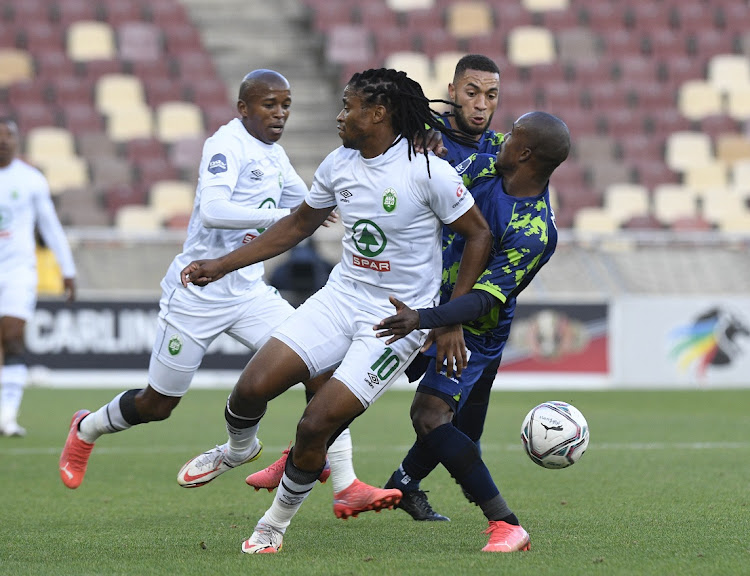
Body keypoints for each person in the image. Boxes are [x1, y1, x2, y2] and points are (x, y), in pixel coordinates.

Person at [177, 67, 492, 554]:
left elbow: (479, 235)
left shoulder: (428, 170)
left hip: (394, 322)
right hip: (339, 296)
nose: (340, 115)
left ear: (379, 113)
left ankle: (273, 525)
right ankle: (239, 448)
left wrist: (449, 317)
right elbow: (297, 225)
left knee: (314, 425)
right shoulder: (338, 163)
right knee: (251, 388)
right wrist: (220, 265)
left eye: (349, 107)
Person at [242, 54, 505, 521]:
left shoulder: (500, 151)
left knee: (455, 420)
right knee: (419, 414)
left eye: (491, 95)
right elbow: (302, 220)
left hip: (451, 307)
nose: (480, 104)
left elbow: (490, 219)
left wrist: (453, 316)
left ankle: (371, 479)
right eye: (471, 92)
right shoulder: (428, 139)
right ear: (452, 89)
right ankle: (497, 519)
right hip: (383, 301)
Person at [58, 69, 339, 489]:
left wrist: (333, 203)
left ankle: (297, 456)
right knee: (158, 404)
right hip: (197, 292)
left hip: (248, 293)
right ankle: (87, 429)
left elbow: (305, 203)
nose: (280, 114)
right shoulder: (226, 144)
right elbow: (214, 209)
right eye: (269, 105)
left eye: (286, 106)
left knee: (318, 368)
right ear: (243, 108)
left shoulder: (273, 154)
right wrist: (286, 217)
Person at [375, 111, 571, 552]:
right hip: (424, 299)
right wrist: (426, 134)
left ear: (523, 153)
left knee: (437, 419)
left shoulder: (534, 231)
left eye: (512, 136)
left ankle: (506, 524)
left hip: (473, 333)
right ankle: (400, 484)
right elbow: (455, 140)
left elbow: (485, 299)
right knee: (446, 423)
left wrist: (430, 320)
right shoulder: (489, 161)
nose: (499, 137)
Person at [0, 118, 77, 437]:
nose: (4, 141)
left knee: (13, 335)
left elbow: (49, 226)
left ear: (18, 141)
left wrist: (67, 270)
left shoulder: (30, 179)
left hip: (18, 270)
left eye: (9, 136)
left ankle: (7, 415)